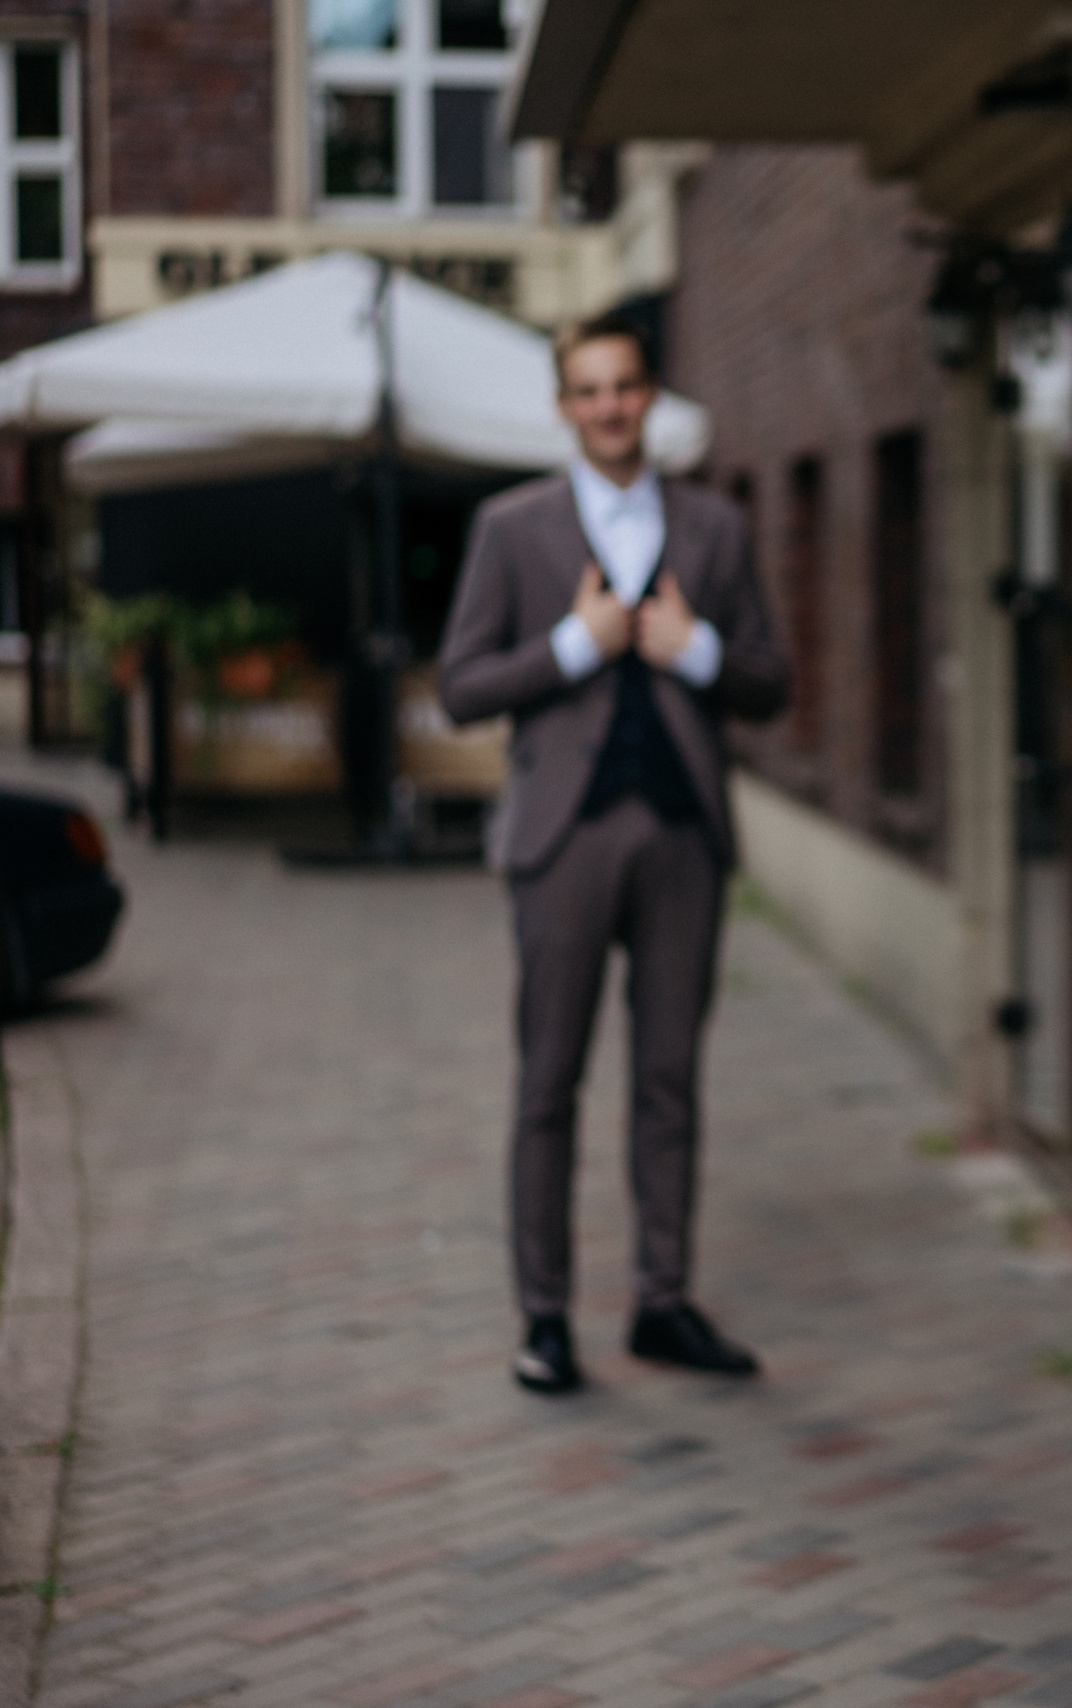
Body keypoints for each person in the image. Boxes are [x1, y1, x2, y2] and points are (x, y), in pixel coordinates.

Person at [440, 314, 788, 1395]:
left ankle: (661, 1300)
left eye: (624, 386)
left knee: (670, 1077)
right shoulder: (512, 529)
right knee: (550, 1079)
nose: (607, 406)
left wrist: (701, 653)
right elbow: (460, 687)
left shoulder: (716, 528)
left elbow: (771, 682)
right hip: (563, 837)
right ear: (563, 406)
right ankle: (543, 1319)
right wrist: (570, 645)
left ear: (649, 397)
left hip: (682, 831)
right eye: (586, 390)